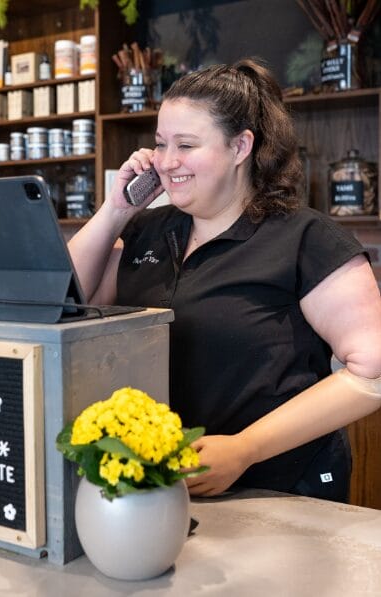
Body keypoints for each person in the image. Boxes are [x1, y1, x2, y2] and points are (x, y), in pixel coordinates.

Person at [68, 58, 381, 502]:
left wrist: (245, 449)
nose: (166, 161)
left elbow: (372, 373)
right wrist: (116, 210)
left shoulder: (306, 239)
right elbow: (64, 303)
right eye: (160, 144)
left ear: (240, 147)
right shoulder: (147, 231)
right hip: (163, 487)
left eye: (187, 145)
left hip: (280, 490)